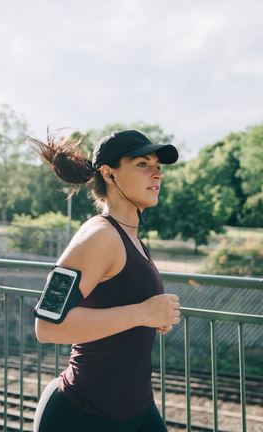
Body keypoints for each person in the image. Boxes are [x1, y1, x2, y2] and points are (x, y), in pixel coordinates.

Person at [27, 129, 182, 432]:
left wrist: (150, 317)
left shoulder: (131, 237)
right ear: (109, 174)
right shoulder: (100, 236)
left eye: (158, 167)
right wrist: (140, 313)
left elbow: (116, 300)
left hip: (136, 408)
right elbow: (46, 326)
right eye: (143, 164)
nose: (157, 175)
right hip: (84, 415)